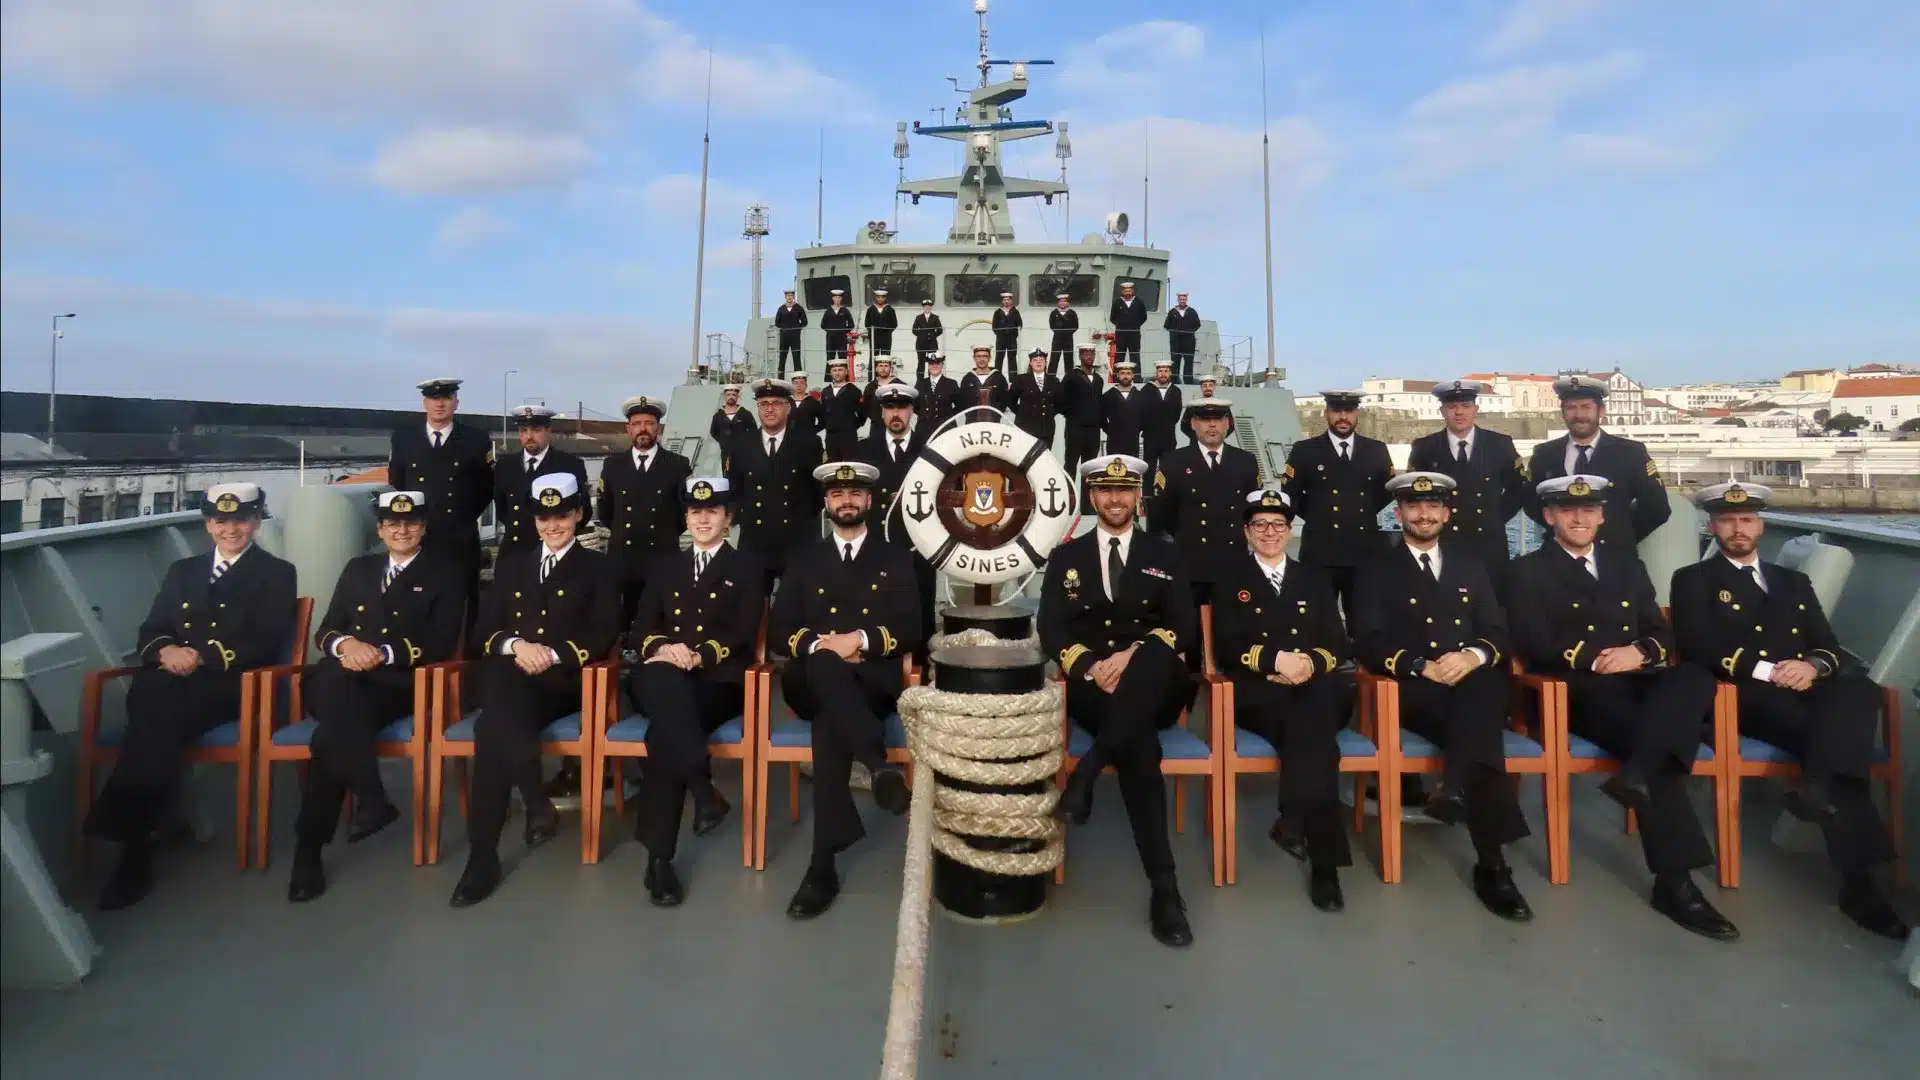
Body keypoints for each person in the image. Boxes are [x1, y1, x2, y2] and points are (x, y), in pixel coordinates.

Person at [1670, 482, 1908, 940]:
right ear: (1712, 527)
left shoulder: (1792, 582)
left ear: (1760, 525)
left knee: (1860, 690)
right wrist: (1773, 672)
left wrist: (1812, 666)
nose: (1737, 529)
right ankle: (1859, 886)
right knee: (1839, 744)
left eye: (1746, 520)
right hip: (1743, 696)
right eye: (1727, 521)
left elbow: (1828, 645)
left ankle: (1817, 789)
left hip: (1803, 686)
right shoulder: (1693, 580)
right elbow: (1698, 647)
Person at [1507, 476, 1736, 940]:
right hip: (1577, 689)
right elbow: (1533, 642)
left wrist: (1640, 652)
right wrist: (1597, 659)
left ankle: (1637, 774)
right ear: (1549, 516)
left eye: (1589, 510)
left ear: (1602, 515)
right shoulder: (1526, 571)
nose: (1579, 518)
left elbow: (1660, 631)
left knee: (1695, 675)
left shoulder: (1626, 564)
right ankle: (1675, 883)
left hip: (1638, 678)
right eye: (1568, 511)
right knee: (1655, 740)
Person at [85, 483, 298, 911]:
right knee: (158, 703)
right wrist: (166, 650)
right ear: (207, 524)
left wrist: (199, 656)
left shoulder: (276, 573)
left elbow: (264, 639)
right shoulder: (183, 571)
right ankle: (151, 826)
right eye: (220, 521)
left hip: (231, 683)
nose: (230, 529)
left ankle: (134, 846)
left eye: (241, 520)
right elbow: (153, 628)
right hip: (170, 680)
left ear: (256, 522)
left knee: (154, 712)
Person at [1352, 472, 1533, 922]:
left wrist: (1472, 656)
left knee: (1482, 692)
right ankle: (1493, 865)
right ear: (1399, 513)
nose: (1424, 514)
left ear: (1447, 513)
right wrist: (1421, 666)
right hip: (1413, 691)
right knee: (1482, 725)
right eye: (1414, 506)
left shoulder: (1470, 565)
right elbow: (1367, 641)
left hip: (1470, 682)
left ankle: (1457, 794)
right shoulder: (1375, 568)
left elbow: (1496, 632)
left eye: (1433, 506)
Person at [1041, 454, 1198, 947]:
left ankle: (1086, 771)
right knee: (1140, 747)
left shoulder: (1165, 553)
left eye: (1124, 490)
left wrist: (1132, 656)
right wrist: (1090, 666)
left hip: (1158, 683)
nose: (1115, 499)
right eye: (1106, 491)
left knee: (1150, 658)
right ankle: (1165, 888)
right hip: (1095, 685)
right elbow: (1051, 628)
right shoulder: (1066, 557)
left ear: (1137, 497)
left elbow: (1185, 627)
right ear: (1093, 497)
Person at [450, 473, 621, 908]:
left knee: (492, 724)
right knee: (496, 720)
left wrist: (552, 654)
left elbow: (604, 633)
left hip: (564, 682)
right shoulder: (512, 565)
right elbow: (484, 632)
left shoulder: (599, 567)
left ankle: (496, 843)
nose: (552, 525)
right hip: (514, 676)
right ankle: (493, 843)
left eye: (561, 515)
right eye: (544, 517)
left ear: (578, 514)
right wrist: (517, 646)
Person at [287, 490, 464, 903]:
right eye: (392, 524)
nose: (402, 530)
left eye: (411, 523)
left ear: (423, 527)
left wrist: (381, 653)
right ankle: (370, 796)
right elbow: (327, 630)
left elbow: (440, 641)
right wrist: (347, 645)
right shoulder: (358, 569)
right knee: (338, 695)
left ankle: (309, 851)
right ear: (380, 530)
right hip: (339, 675)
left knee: (330, 736)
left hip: (394, 684)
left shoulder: (445, 574)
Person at [770, 461, 922, 919]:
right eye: (838, 494)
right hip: (807, 682)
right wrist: (824, 647)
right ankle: (877, 763)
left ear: (870, 500)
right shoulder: (804, 558)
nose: (847, 501)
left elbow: (911, 628)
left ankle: (822, 865)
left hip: (870, 683)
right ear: (827, 502)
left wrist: (859, 640)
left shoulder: (895, 557)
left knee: (830, 722)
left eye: (855, 493)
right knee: (822, 666)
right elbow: (779, 630)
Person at [1209, 488, 1353, 911]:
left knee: (1312, 713)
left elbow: (1338, 643)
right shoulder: (1229, 580)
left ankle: (1294, 819)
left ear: (1290, 530)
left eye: (1278, 524)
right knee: (1319, 739)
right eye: (1260, 524)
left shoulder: (1314, 579)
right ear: (1246, 531)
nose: (1269, 532)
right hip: (1260, 693)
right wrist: (1275, 661)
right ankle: (1324, 865)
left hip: (1315, 685)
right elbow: (1226, 645)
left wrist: (1308, 663)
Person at [626, 477, 766, 906]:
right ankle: (702, 791)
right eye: (695, 512)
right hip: (661, 673)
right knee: (664, 689)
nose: (702, 519)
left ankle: (659, 859)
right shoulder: (665, 566)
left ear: (728, 517)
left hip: (715, 682)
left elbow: (743, 632)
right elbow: (640, 630)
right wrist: (664, 648)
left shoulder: (748, 567)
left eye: (712, 511)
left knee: (663, 734)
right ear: (686, 518)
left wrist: (699, 654)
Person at [1524, 375, 1670, 553]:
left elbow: (1657, 507)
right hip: (1558, 558)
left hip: (1615, 558)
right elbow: (1530, 503)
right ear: (1562, 413)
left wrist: (1620, 537)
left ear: (1601, 411)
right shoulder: (1544, 454)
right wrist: (1564, 533)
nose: (1578, 415)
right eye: (1571, 408)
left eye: (1586, 407)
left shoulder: (1631, 453)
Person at [388, 378, 493, 627]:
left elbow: (486, 488)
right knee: (415, 605)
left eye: (446, 398)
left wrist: (461, 517)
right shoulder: (403, 439)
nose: (440, 404)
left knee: (463, 608)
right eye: (434, 398)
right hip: (417, 539)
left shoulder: (476, 439)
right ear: (424, 403)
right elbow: (397, 483)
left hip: (459, 538)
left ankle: (464, 651)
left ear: (456, 403)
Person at [1281, 390, 1392, 621]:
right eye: (1337, 411)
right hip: (1320, 552)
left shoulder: (1376, 450)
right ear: (1326, 413)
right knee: (1317, 620)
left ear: (1357, 414)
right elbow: (1290, 493)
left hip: (1364, 552)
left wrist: (1360, 512)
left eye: (1349, 411)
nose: (1343, 417)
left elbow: (1387, 492)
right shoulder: (1305, 450)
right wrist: (1317, 514)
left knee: (1364, 620)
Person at [1408, 380, 1525, 589]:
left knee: (1492, 603)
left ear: (1475, 409)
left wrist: (1495, 517)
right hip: (1442, 544)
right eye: (1452, 407)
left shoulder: (1500, 444)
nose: (1459, 412)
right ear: (1442, 411)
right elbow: (1413, 496)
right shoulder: (1425, 448)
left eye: (1465, 406)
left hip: (1489, 545)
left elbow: (1518, 488)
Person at [1149, 398, 1259, 608]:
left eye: (1218, 419)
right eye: (1205, 419)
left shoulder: (1245, 461)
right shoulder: (1173, 462)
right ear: (1193, 423)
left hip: (1233, 564)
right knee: (1190, 625)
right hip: (1190, 566)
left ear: (1227, 423)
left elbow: (1253, 511)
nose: (1212, 425)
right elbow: (1161, 514)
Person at [596, 396, 692, 630]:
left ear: (658, 428)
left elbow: (685, 513)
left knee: (662, 621)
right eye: (637, 423)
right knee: (623, 621)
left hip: (663, 557)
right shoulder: (613, 465)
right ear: (628, 429)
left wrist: (666, 534)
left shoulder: (678, 465)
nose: (643, 429)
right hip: (623, 559)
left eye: (649, 423)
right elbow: (606, 511)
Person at [726, 378, 823, 590]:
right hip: (754, 540)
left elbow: (817, 493)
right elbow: (734, 488)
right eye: (764, 404)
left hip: (797, 541)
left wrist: (804, 520)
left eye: (776, 403)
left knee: (797, 603)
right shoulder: (741, 444)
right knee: (752, 603)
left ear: (788, 407)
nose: (769, 409)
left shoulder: (809, 443)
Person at [861, 385, 936, 655]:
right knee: (874, 606)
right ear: (882, 413)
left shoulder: (929, 450)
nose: (896, 414)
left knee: (920, 609)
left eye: (902, 408)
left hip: (918, 544)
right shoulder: (864, 449)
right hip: (876, 544)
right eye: (890, 408)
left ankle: (922, 667)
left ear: (912, 411)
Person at [495, 406, 589, 556]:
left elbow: (584, 510)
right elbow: (502, 510)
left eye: (536, 430)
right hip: (514, 551)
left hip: (553, 551)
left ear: (548, 431)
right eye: (523, 430)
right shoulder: (505, 465)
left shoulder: (570, 465)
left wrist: (558, 538)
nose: (529, 436)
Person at [1060, 344, 1106, 480]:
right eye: (1086, 354)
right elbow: (1061, 401)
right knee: (1070, 465)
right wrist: (1073, 415)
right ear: (1080, 356)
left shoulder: (1098, 379)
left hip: (1093, 431)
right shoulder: (1071, 377)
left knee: (1090, 468)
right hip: (1075, 430)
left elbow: (1099, 403)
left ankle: (1087, 495)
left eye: (1092, 354)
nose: (1089, 357)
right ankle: (1069, 494)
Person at [1009, 347, 1061, 447]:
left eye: (1041, 360)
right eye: (1035, 360)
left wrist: (1050, 413)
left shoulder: (1054, 381)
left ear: (1045, 362)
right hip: (1025, 428)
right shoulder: (1021, 380)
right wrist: (1022, 412)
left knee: (1044, 455)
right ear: (1030, 363)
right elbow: (1010, 400)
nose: (1038, 362)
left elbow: (1060, 403)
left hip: (1046, 429)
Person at [1140, 358, 1182, 480]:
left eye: (1166, 371)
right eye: (1160, 371)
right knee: (1149, 470)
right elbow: (1142, 412)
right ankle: (1148, 492)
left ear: (1170, 373)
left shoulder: (1176, 391)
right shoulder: (1147, 389)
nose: (1163, 374)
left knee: (1168, 470)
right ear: (1156, 373)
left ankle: (1165, 492)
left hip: (1168, 438)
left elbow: (1177, 414)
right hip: (1150, 438)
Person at [821, 357, 866, 461]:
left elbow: (863, 413)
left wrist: (852, 426)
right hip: (831, 437)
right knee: (833, 465)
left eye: (840, 370)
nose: (837, 373)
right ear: (830, 372)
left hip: (848, 437)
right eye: (834, 370)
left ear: (846, 371)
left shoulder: (854, 391)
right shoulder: (826, 391)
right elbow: (823, 413)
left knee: (850, 465)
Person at [1101, 360, 1147, 459]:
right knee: (1114, 467)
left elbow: (1144, 417)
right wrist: (1111, 431)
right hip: (1114, 442)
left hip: (1133, 442)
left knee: (1132, 467)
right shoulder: (1108, 395)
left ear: (1133, 375)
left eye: (1128, 373)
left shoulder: (1140, 396)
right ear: (1117, 375)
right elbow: (1101, 418)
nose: (1125, 376)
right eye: (1122, 373)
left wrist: (1135, 429)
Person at [862, 355, 908, 437]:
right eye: (880, 366)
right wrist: (875, 418)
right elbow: (865, 406)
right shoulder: (870, 387)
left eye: (886, 366)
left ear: (891, 368)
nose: (883, 369)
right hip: (876, 428)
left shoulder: (900, 385)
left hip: (896, 428)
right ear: (876, 368)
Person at [915, 352, 961, 432]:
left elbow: (960, 405)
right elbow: (914, 405)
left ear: (942, 365)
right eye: (931, 363)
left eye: (937, 363)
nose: (934, 366)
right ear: (928, 366)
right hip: (924, 429)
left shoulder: (951, 383)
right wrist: (924, 415)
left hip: (945, 428)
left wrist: (949, 417)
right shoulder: (921, 384)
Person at [959, 344, 1010, 414]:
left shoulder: (999, 378)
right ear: (974, 358)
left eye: (985, 356)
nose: (982, 359)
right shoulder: (967, 379)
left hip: (994, 420)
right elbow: (962, 402)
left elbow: (1005, 400)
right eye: (978, 356)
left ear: (989, 358)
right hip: (972, 420)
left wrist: (996, 416)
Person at [708, 385, 756, 460]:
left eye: (734, 395)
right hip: (726, 454)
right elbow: (714, 432)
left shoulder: (746, 414)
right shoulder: (718, 416)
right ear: (724, 396)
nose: (731, 397)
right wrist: (723, 441)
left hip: (743, 454)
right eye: (728, 394)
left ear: (737, 397)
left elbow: (753, 431)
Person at [1163, 292, 1200, 384]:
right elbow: (1166, 325)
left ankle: (1188, 381)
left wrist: (1189, 331)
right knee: (1175, 361)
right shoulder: (1172, 312)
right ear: (1178, 300)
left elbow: (1197, 324)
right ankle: (1174, 381)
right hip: (1176, 341)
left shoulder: (1191, 312)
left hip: (1189, 341)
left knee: (1188, 361)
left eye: (1184, 299)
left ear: (1186, 300)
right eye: (1181, 299)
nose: (1182, 301)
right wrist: (1175, 332)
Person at [1109, 281, 1148, 370]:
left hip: (1134, 334)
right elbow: (1112, 318)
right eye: (1126, 291)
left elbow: (1144, 316)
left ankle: (1137, 376)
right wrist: (1120, 325)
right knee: (1119, 355)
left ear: (1132, 291)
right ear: (1122, 292)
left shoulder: (1138, 302)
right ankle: (1117, 375)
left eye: (1129, 291)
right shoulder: (1117, 302)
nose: (1128, 293)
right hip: (1121, 334)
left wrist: (1135, 325)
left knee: (1135, 356)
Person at [1176, 374, 1221, 444]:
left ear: (1214, 387)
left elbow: (1230, 425)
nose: (1207, 388)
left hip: (1216, 443)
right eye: (1204, 385)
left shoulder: (1221, 405)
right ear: (1201, 387)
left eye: (1210, 385)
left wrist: (1219, 437)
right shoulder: (1193, 405)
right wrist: (1196, 437)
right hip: (1196, 443)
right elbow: (1184, 426)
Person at [774, 289, 808, 376]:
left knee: (796, 357)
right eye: (788, 296)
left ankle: (798, 377)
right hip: (784, 336)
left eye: (791, 296)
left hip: (795, 336)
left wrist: (797, 328)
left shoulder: (798, 308)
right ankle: (780, 378)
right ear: (785, 297)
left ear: (793, 297)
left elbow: (804, 321)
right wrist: (784, 327)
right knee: (782, 357)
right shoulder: (781, 309)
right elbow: (777, 322)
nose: (789, 297)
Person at [991, 291, 1023, 377]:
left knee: (1012, 359)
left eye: (1008, 299)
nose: (1006, 301)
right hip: (1000, 340)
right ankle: (997, 378)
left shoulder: (1015, 312)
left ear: (1011, 301)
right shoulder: (997, 312)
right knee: (999, 359)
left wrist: (1014, 335)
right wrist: (1000, 334)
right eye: (1004, 300)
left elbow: (1020, 325)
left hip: (1012, 340)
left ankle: (1013, 379)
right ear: (1002, 301)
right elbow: (994, 326)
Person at [1047, 292, 1079, 377]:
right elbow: (1052, 325)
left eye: (1064, 301)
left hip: (1068, 340)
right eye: (1061, 301)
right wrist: (1059, 331)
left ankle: (1069, 378)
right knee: (1054, 359)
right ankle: (1050, 378)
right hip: (1057, 339)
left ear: (1068, 302)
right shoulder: (1054, 313)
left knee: (1069, 360)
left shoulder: (1072, 313)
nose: (1063, 303)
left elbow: (1075, 326)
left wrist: (1068, 332)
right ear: (1058, 303)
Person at [788, 371, 823, 447]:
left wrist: (812, 431)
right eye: (796, 383)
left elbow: (823, 421)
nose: (799, 385)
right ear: (792, 385)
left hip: (808, 441)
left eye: (802, 382)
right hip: (788, 440)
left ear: (806, 385)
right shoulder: (786, 401)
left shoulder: (813, 402)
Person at [820, 288, 855, 361]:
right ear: (833, 298)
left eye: (839, 298)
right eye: (836, 297)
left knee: (843, 358)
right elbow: (823, 325)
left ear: (841, 299)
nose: (837, 299)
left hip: (842, 338)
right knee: (830, 359)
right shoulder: (828, 311)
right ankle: (829, 369)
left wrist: (844, 331)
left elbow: (851, 324)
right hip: (831, 339)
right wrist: (830, 331)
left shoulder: (845, 311)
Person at [911, 299, 944, 377]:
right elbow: (914, 330)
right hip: (921, 343)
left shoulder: (935, 318)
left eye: (929, 306)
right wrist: (922, 335)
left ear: (931, 307)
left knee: (932, 362)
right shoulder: (918, 318)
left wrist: (932, 335)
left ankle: (931, 380)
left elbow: (940, 330)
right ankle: (920, 381)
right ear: (923, 307)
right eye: (925, 306)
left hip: (932, 343)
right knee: (921, 363)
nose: (927, 308)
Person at [863, 288, 898, 360]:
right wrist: (872, 331)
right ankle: (872, 368)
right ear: (875, 298)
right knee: (873, 357)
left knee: (885, 357)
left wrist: (887, 331)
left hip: (886, 338)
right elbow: (867, 323)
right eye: (878, 297)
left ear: (885, 298)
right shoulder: (871, 309)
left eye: (882, 297)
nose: (880, 299)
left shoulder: (890, 309)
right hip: (874, 337)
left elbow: (894, 324)